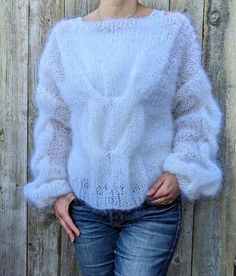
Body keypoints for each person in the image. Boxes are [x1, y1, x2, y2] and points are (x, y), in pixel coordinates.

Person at [21, 0, 224, 275]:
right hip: (86, 211)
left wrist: (183, 168)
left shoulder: (172, 30)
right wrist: (55, 187)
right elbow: (55, 121)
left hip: (152, 209)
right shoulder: (65, 38)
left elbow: (193, 109)